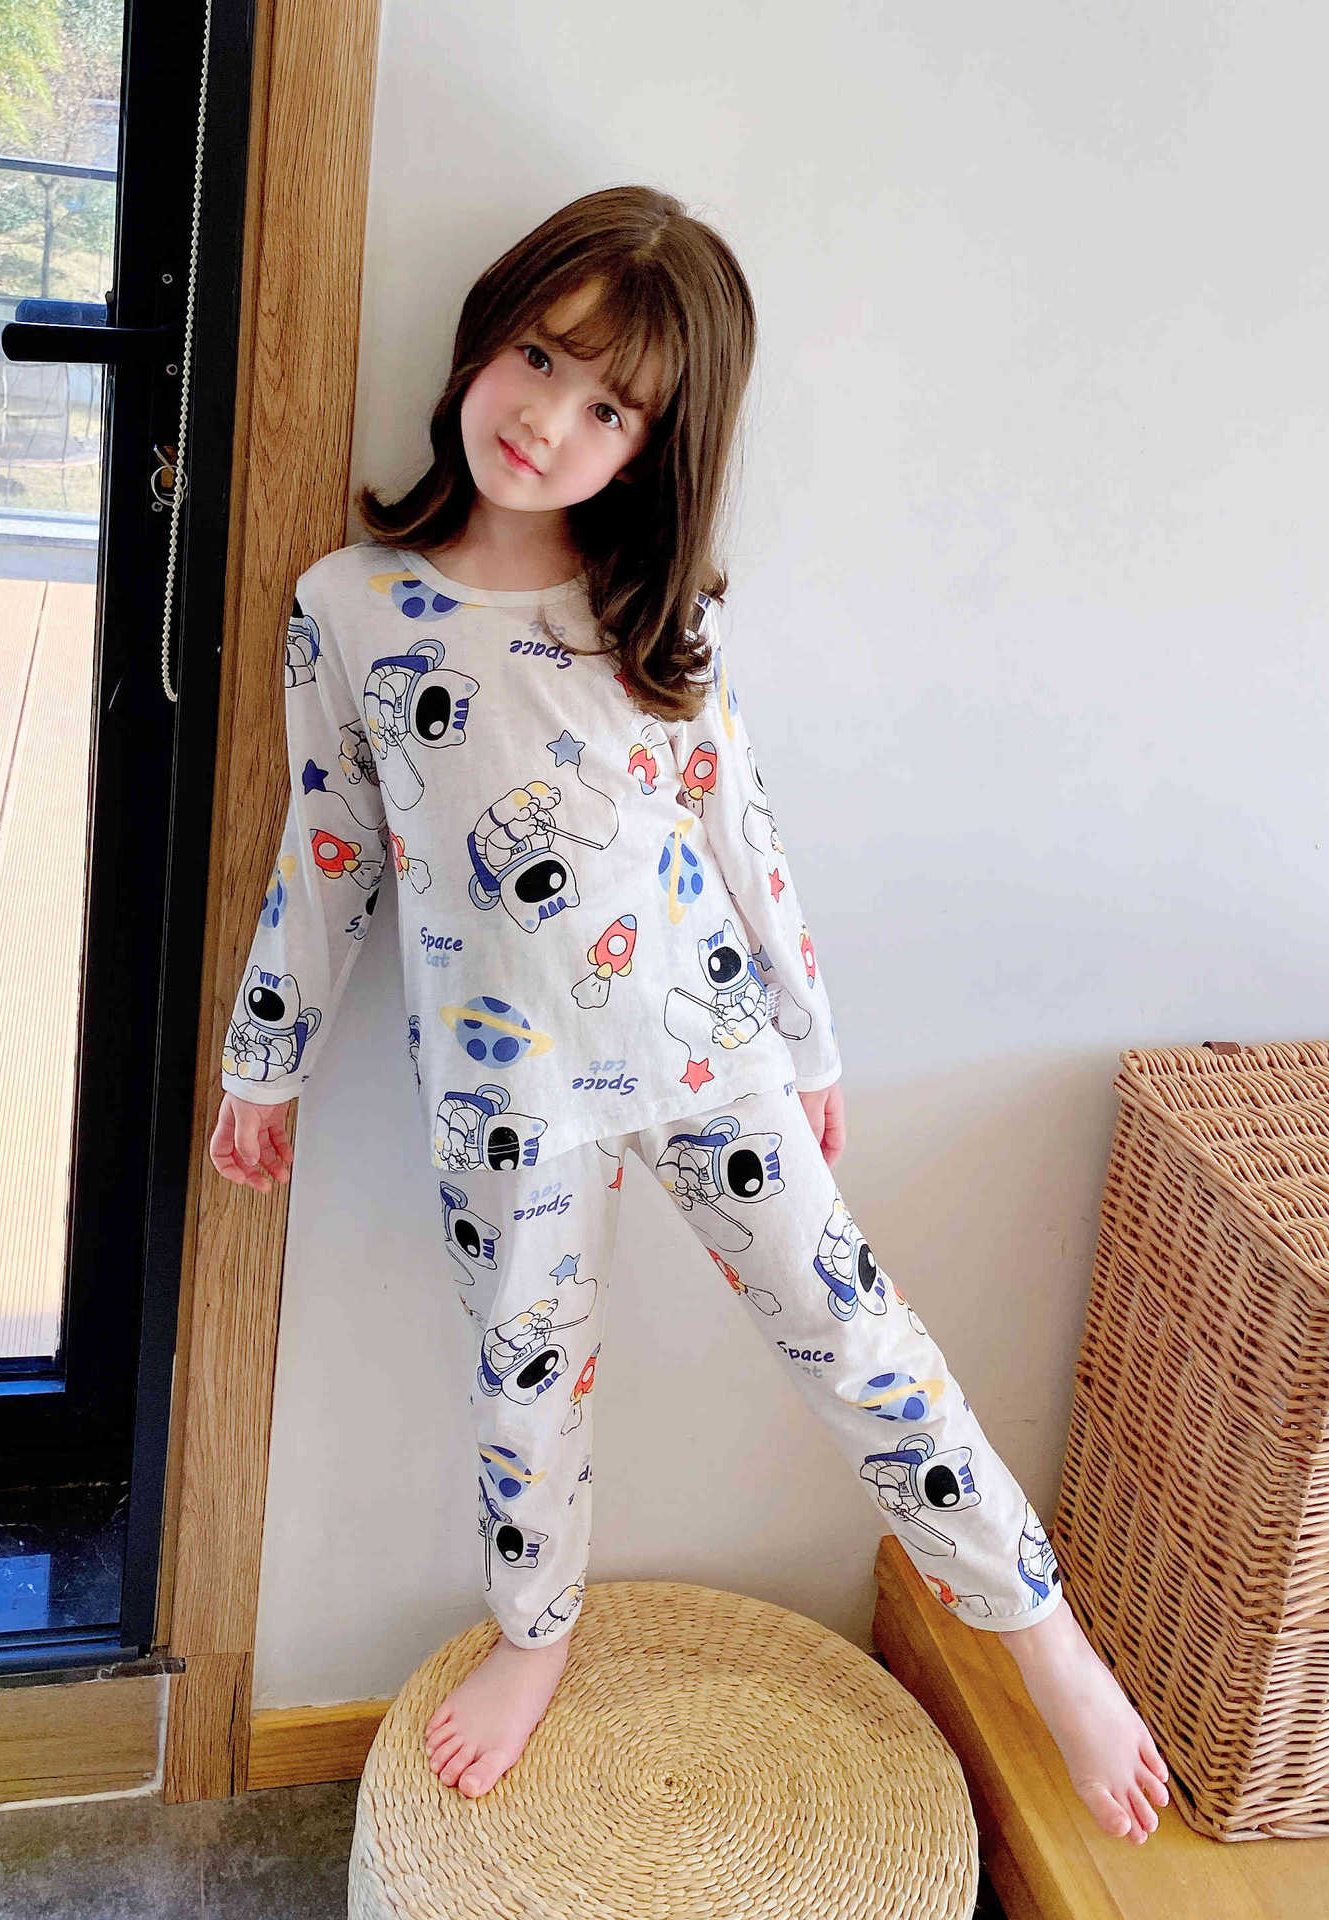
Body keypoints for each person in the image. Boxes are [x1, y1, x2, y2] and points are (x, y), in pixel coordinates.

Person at [209, 184, 1168, 1844]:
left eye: (609, 409)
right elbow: (331, 848)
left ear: (654, 447)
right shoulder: (350, 608)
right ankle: (536, 1634)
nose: (548, 421)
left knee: (864, 1344)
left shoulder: (658, 618)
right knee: (525, 1381)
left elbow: (744, 838)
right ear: (485, 336)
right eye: (538, 358)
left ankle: (1045, 1642)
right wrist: (265, 1062)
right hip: (504, 1095)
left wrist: (811, 1044)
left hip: (707, 1058)